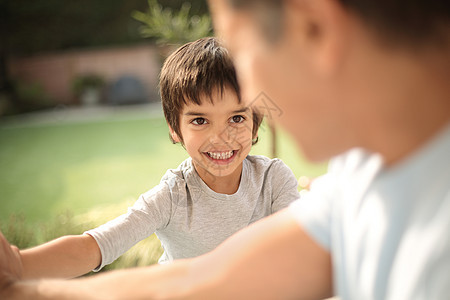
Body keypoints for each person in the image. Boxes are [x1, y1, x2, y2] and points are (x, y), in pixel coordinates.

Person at [1, 0, 449, 299]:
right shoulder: (363, 173)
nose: (252, 101)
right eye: (200, 118)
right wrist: (21, 278)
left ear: (315, 29)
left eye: (240, 49)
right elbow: (212, 279)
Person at [1, 37, 300, 280]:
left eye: (236, 117)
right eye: (200, 121)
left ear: (255, 123)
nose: (220, 137)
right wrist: (18, 264)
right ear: (174, 130)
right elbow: (95, 246)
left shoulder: (273, 180)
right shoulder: (172, 196)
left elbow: (301, 248)